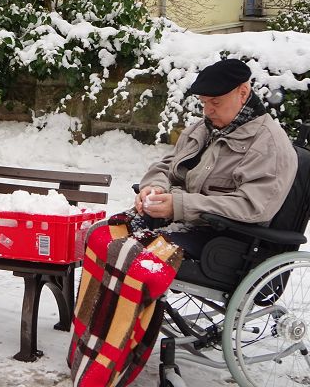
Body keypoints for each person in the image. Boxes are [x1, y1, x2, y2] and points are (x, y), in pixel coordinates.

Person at [68, 58, 297, 386]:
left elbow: (252, 207)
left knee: (133, 257)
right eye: (204, 103)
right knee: (101, 235)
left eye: (215, 103)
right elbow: (168, 164)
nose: (208, 111)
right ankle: (91, 344)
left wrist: (181, 205)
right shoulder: (207, 127)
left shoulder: (269, 145)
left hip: (227, 238)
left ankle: (113, 359)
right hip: (186, 221)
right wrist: (155, 187)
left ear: (244, 93)